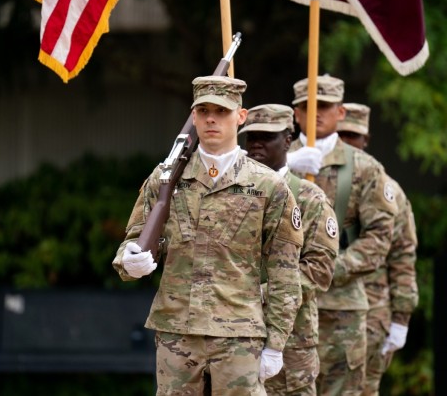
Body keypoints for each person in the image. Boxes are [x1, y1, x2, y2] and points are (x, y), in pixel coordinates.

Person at [113, 76, 304, 395]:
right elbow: (135, 237)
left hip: (239, 335)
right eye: (203, 111)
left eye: (221, 111)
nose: (211, 118)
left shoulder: (268, 186)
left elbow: (285, 272)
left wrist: (276, 342)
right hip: (177, 332)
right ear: (193, 116)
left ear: (240, 117)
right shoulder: (165, 178)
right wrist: (129, 261)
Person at [287, 75, 397, 396]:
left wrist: (330, 271)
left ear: (341, 112)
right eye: (308, 106)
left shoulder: (364, 168)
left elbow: (379, 238)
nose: (316, 113)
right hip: (283, 305)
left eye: (324, 106)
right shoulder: (274, 164)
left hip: (341, 308)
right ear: (295, 113)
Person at [240, 103, 339, 396]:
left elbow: (319, 271)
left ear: (287, 139)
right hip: (234, 337)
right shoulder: (233, 192)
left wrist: (261, 293)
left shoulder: (309, 199)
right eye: (251, 136)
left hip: (291, 343)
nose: (256, 143)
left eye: (267, 136)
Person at [337, 103, 419, 396]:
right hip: (327, 312)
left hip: (372, 313)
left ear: (365, 141)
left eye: (353, 136)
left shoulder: (388, 190)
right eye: (340, 135)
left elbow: (403, 255)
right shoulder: (314, 181)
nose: (347, 144)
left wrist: (401, 319)